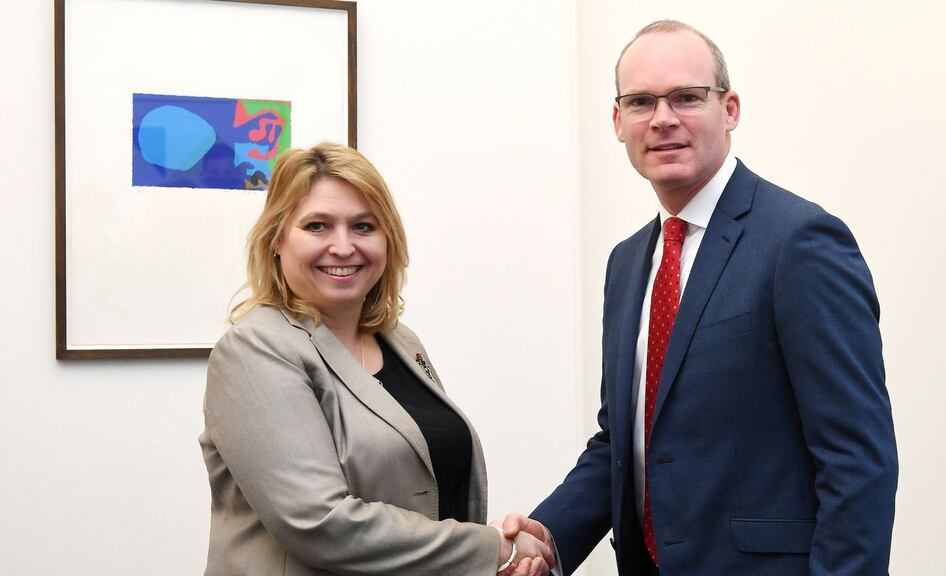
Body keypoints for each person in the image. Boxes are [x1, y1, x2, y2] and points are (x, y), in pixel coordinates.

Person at [502, 20, 898, 575]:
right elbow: (624, 440)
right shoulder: (627, 263)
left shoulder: (800, 242)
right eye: (641, 102)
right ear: (618, 121)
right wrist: (550, 534)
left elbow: (858, 460)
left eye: (687, 97)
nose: (663, 118)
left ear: (729, 109)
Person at [199, 142, 553, 575]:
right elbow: (319, 522)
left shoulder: (401, 342)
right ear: (276, 238)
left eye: (363, 226)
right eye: (317, 226)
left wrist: (495, 550)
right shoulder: (254, 350)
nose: (343, 246)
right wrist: (491, 549)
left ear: (388, 239)